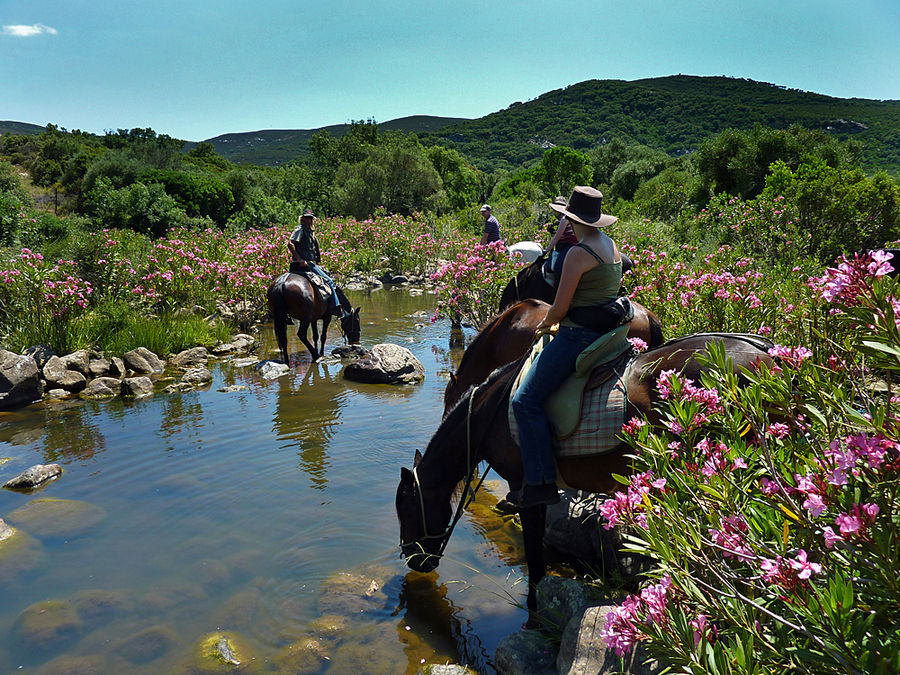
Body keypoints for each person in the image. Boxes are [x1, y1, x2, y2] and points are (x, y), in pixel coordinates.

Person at [510, 186, 623, 508]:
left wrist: (546, 324)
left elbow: (559, 309)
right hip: (608, 331)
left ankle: (541, 481)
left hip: (579, 335)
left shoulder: (578, 253)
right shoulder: (610, 244)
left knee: (525, 401)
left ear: (572, 219)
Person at [288, 209, 343, 315]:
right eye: (307, 218)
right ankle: (335, 306)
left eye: (310, 218)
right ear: (302, 219)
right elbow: (290, 243)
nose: (309, 220)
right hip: (305, 264)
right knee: (329, 281)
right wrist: (299, 259)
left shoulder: (310, 232)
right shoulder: (300, 229)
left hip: (308, 263)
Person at [544, 195, 579, 278]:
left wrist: (546, 250)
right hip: (573, 245)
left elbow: (557, 237)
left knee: (557, 268)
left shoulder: (565, 218)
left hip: (568, 246)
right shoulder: (568, 217)